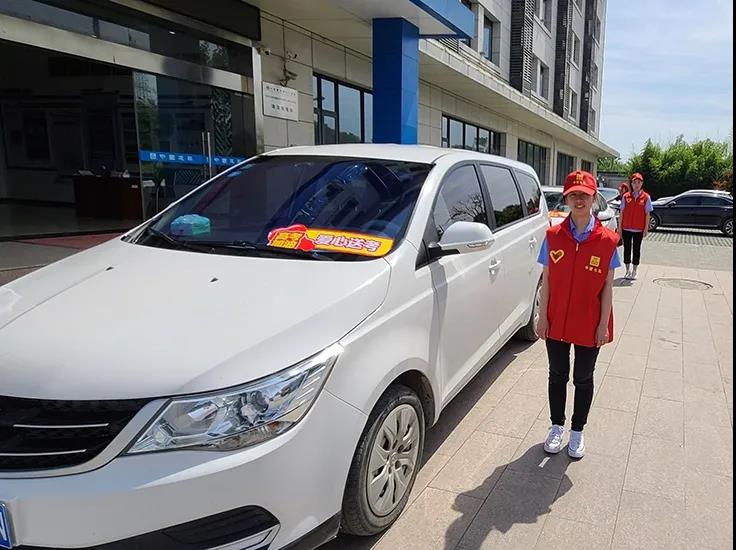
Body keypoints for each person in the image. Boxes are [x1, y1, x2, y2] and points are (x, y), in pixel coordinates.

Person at [535, 170, 621, 458]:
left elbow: (607, 287)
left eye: (584, 195)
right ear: (566, 198)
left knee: (583, 378)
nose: (579, 200)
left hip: (589, 321)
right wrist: (542, 316)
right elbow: (547, 279)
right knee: (557, 375)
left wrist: (603, 325)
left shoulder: (608, 240)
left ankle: (577, 431)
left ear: (594, 198)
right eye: (573, 195)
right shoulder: (552, 236)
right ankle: (556, 426)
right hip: (556, 318)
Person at [617, 172, 652, 280]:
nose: (636, 185)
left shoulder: (646, 197)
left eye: (638, 182)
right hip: (626, 228)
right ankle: (627, 270)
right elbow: (622, 213)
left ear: (642, 184)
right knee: (627, 249)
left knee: (636, 249)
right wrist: (619, 228)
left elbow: (647, 214)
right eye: (634, 182)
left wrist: (646, 228)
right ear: (631, 184)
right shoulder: (626, 196)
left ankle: (635, 270)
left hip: (638, 229)